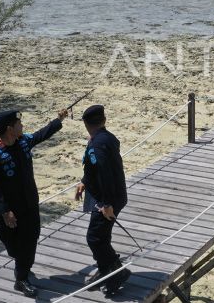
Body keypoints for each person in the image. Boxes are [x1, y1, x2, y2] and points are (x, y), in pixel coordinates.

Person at [0, 108, 69, 297]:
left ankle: (21, 279)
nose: (22, 126)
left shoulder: (23, 142)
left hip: (29, 204)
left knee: (29, 241)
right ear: (9, 129)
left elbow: (41, 135)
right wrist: (5, 211)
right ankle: (22, 263)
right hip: (9, 210)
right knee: (11, 243)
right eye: (19, 124)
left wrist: (58, 120)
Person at [74, 104, 130, 295]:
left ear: (85, 123)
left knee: (95, 238)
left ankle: (115, 273)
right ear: (104, 121)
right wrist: (84, 181)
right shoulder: (107, 137)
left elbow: (105, 172)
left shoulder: (97, 143)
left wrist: (106, 204)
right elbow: (96, 168)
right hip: (114, 195)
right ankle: (108, 270)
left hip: (108, 198)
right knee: (101, 236)